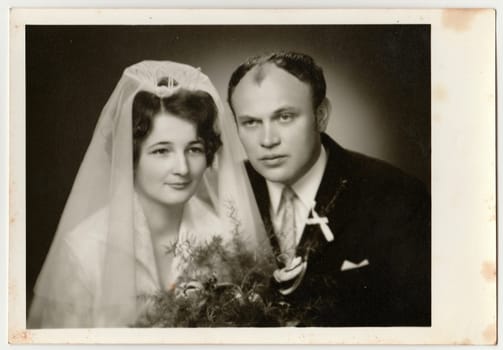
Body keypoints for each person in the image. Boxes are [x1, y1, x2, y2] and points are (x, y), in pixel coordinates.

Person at [226, 51, 431, 326]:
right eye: (251, 122)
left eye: (284, 117)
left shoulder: (397, 194)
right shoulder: (221, 193)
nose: (267, 140)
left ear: (321, 116)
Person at [28, 61, 225, 328]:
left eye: (194, 149)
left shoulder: (224, 236)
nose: (182, 168)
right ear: (130, 157)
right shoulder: (84, 249)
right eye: (161, 151)